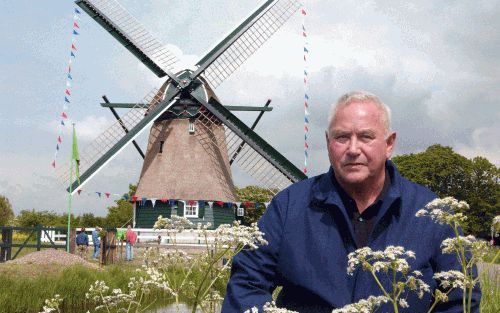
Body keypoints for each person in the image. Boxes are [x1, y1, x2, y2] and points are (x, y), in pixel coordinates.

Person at [222, 91, 481, 313]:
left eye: (366, 137)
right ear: (328, 142)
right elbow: (247, 284)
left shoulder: (431, 214)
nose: (353, 149)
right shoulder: (290, 206)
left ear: (389, 144)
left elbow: (461, 299)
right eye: (342, 137)